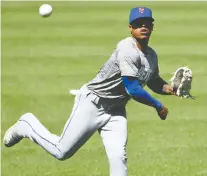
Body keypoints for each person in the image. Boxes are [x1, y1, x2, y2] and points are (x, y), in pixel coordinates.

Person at [4, 7, 176, 176]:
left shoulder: (151, 55)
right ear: (130, 28)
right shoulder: (127, 49)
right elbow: (132, 89)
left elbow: (153, 81)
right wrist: (158, 105)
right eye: (138, 23)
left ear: (152, 27)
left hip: (116, 110)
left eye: (147, 23)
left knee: (118, 158)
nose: (143, 27)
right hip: (93, 103)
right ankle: (26, 124)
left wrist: (171, 89)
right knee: (61, 151)